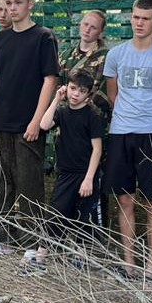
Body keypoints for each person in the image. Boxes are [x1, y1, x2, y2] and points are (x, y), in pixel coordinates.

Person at [103, 0, 152, 279]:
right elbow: (113, 94)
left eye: (145, 18)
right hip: (121, 132)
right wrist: (126, 116)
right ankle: (129, 261)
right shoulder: (116, 54)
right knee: (125, 198)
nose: (139, 23)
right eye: (136, 17)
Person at [0, 0, 59, 240]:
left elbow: (50, 80)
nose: (12, 8)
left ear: (30, 4)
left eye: (18, 3)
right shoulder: (0, 39)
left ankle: (32, 242)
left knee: (30, 184)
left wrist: (37, 120)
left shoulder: (43, 37)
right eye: (9, 3)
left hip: (28, 125)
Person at [38, 70, 105, 269]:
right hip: (65, 173)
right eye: (73, 89)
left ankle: (82, 256)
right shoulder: (63, 112)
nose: (75, 94)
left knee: (85, 217)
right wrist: (56, 100)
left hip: (85, 174)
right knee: (57, 213)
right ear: (66, 88)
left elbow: (97, 149)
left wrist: (89, 178)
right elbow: (43, 124)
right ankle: (42, 255)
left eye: (81, 91)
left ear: (88, 94)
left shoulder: (92, 116)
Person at [59, 9, 110, 116]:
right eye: (85, 24)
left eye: (93, 27)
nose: (87, 30)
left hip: (91, 121)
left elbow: (105, 95)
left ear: (101, 32)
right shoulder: (64, 56)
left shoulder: (108, 58)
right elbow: (57, 87)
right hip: (63, 119)